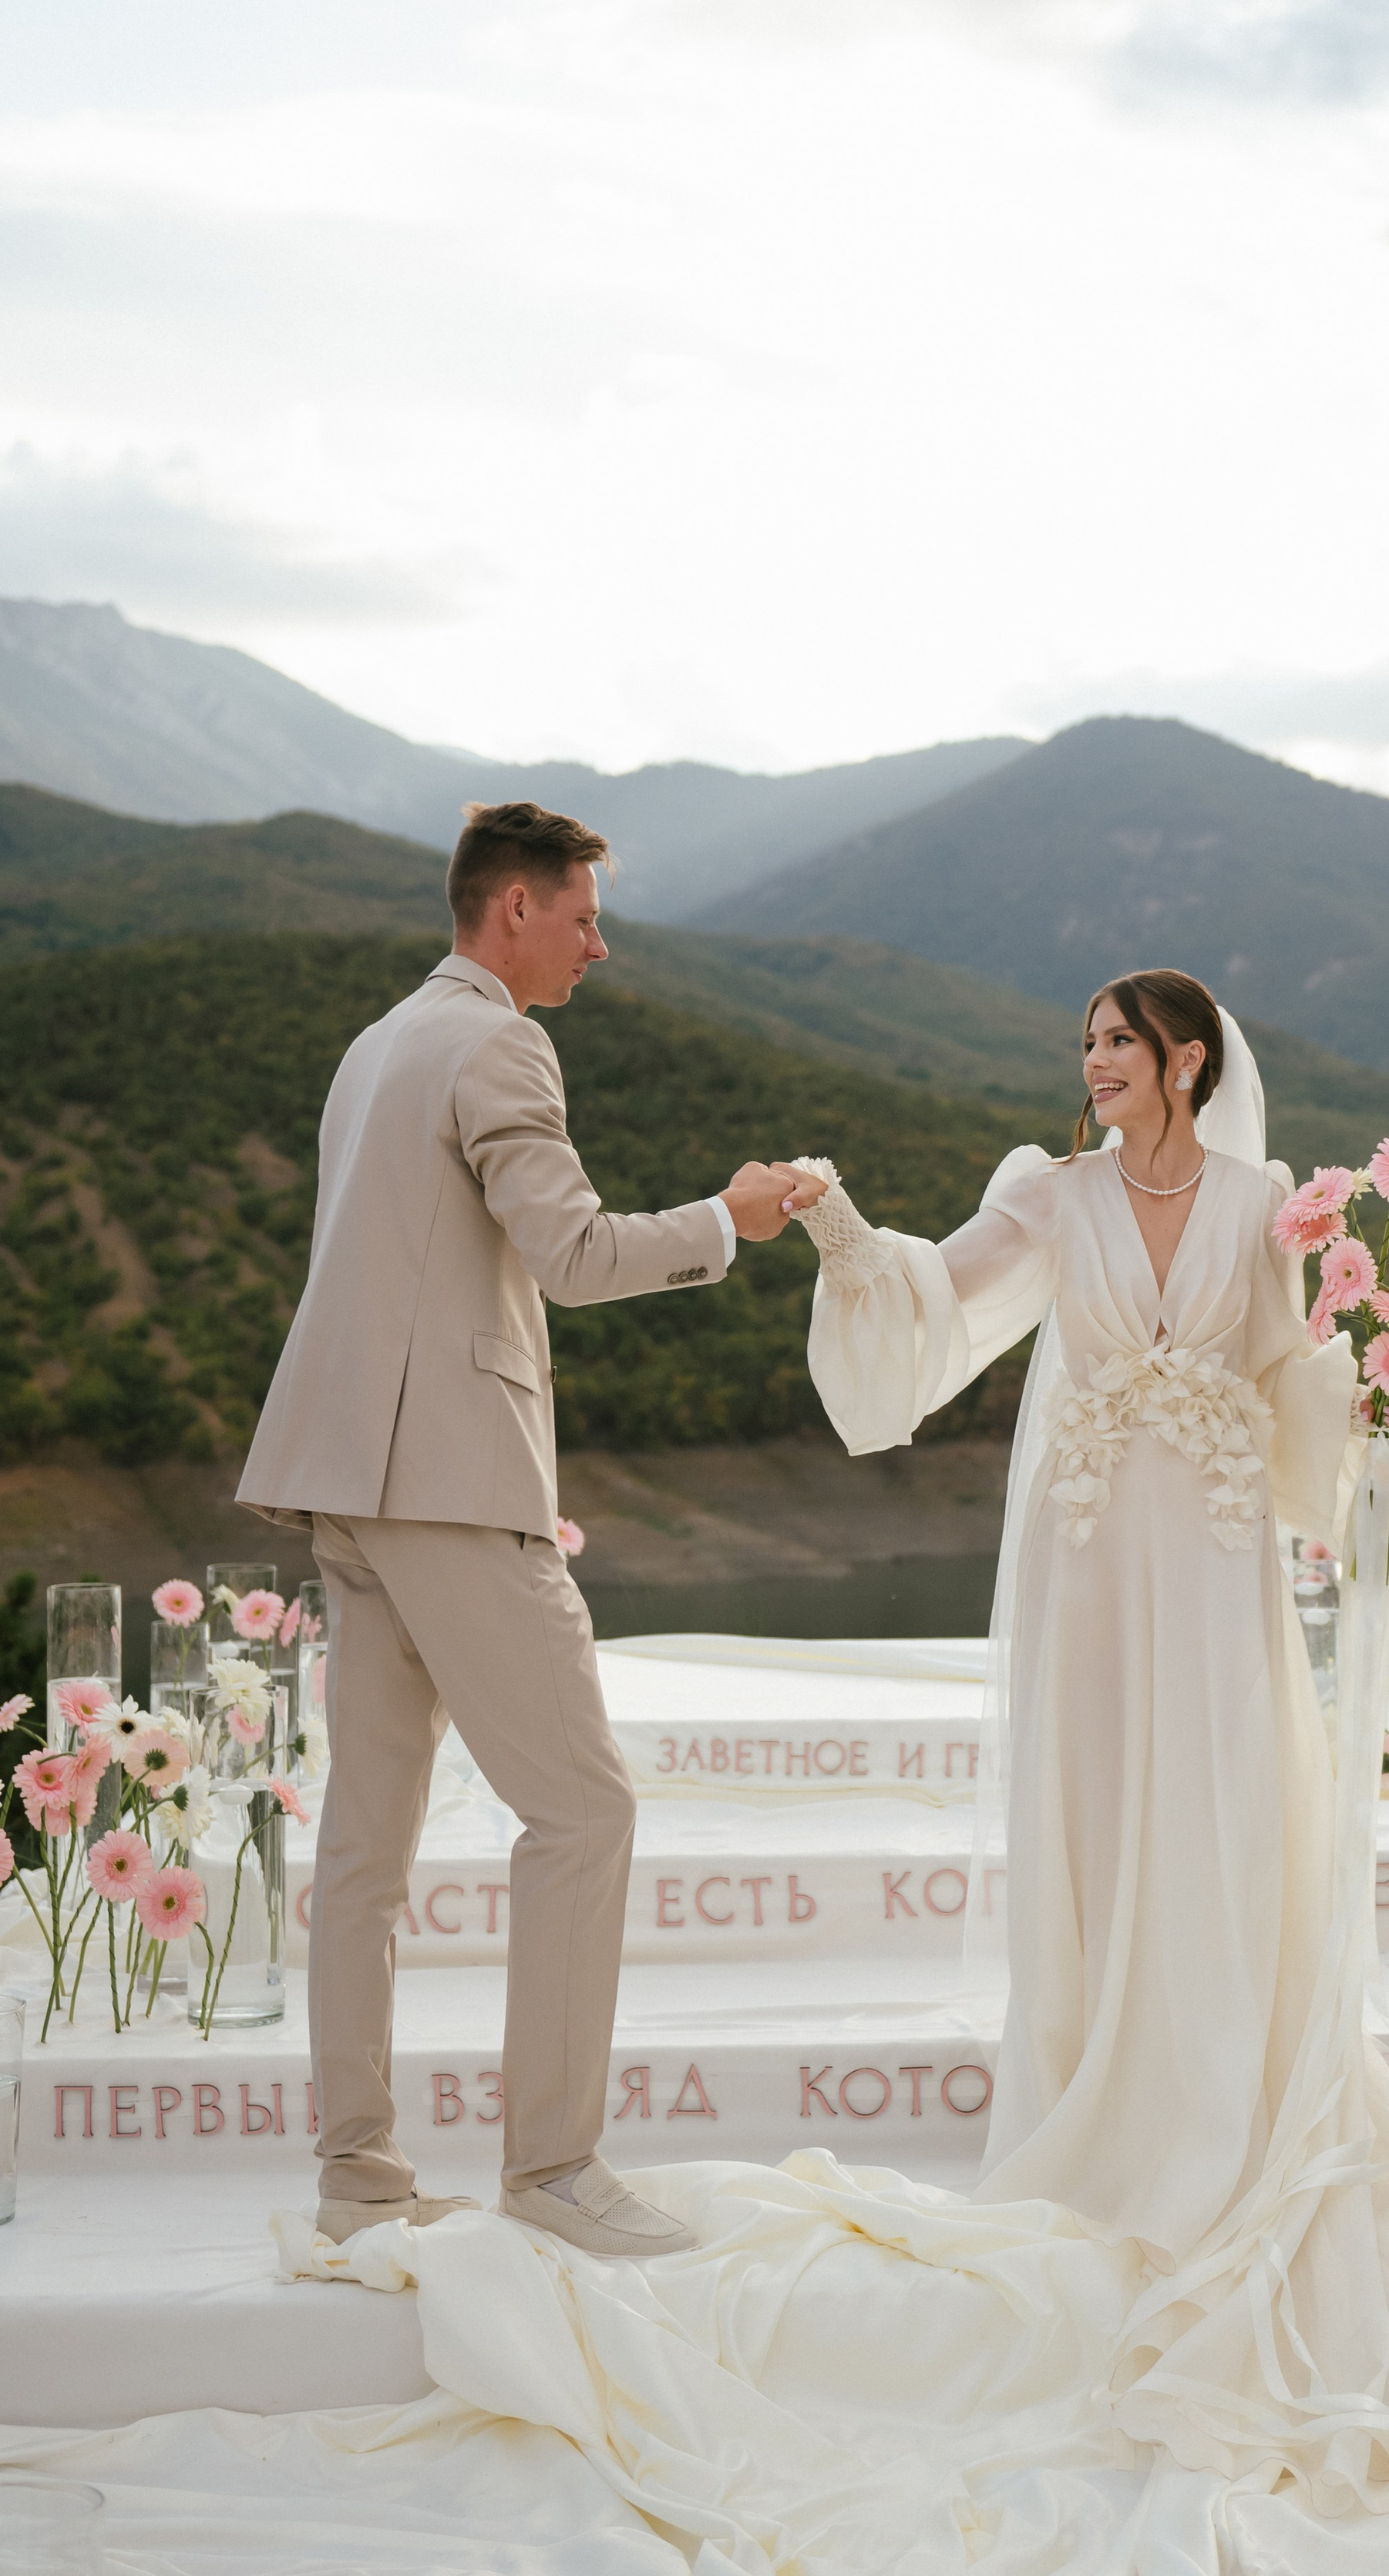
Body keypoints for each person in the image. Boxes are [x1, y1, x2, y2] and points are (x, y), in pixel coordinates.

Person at [793, 967, 1389, 2509]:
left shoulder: (1263, 1203)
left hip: (1220, 1551)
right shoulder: (1050, 1193)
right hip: (1094, 1550)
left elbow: (1292, 1369)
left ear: (1186, 1060)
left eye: (1118, 1040)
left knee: (1223, 1803)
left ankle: (1220, 2088)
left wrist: (1383, 1397)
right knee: (1102, 1804)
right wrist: (835, 1224)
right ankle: (1104, 2091)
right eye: (1086, 1039)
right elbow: (936, 1295)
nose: (1092, 1060)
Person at [239, 799, 824, 2259]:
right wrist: (731, 1219)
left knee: (365, 1847)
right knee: (585, 1812)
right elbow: (571, 1255)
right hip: (449, 1482)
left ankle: (359, 2178)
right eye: (582, 918)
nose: (597, 947)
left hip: (346, 1479)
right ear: (515, 908)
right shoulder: (498, 1042)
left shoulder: (376, 1046)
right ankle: (554, 2170)